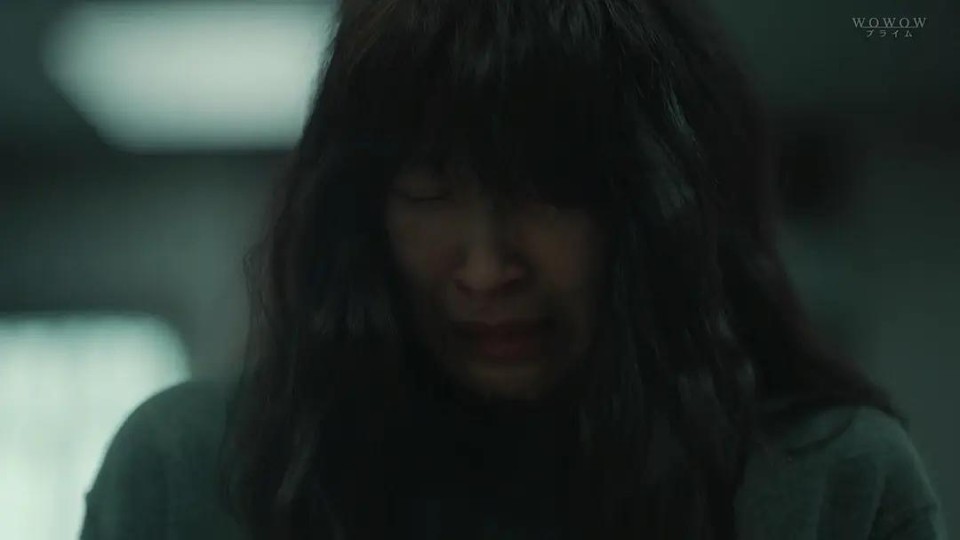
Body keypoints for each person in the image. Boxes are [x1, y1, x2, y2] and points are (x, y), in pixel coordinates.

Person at [80, 0, 947, 538]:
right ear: (361, 212)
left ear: (656, 205)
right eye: (429, 192)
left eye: (549, 194)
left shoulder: (829, 482)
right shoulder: (189, 471)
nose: (486, 269)